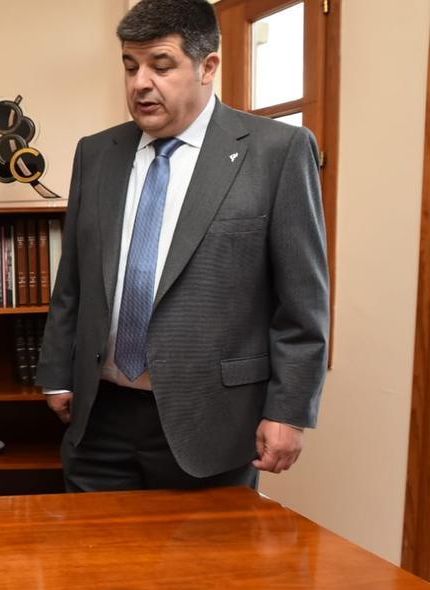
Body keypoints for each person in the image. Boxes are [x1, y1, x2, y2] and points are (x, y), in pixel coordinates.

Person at [36, 0, 329, 492]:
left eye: (161, 65)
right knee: (93, 565)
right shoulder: (96, 153)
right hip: (98, 416)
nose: (139, 83)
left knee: (204, 569)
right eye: (130, 66)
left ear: (207, 66)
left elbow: (303, 304)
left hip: (212, 422)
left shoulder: (278, 152)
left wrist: (289, 411)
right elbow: (74, 282)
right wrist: (57, 374)